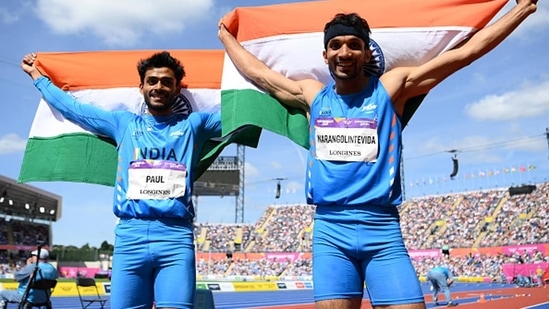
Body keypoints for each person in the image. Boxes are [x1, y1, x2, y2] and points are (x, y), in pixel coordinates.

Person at [218, 1, 537, 308]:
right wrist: (225, 37)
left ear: (367, 51)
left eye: (354, 45)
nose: (344, 52)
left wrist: (522, 9)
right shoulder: (311, 94)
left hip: (382, 229)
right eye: (336, 45)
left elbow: (466, 53)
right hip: (330, 231)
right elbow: (259, 74)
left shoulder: (391, 88)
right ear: (325, 54)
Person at [21, 51, 222, 309]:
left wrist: (273, 83)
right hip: (130, 238)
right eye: (152, 81)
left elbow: (245, 113)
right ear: (141, 87)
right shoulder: (124, 124)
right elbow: (74, 110)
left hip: (175, 239)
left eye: (166, 81)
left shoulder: (196, 124)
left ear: (177, 89)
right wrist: (38, 77)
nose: (158, 86)